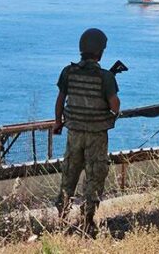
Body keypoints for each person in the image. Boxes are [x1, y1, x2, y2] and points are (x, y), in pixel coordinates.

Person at [53, 28, 120, 236]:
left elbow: (60, 99)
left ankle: (62, 218)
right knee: (94, 175)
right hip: (97, 135)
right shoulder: (106, 77)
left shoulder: (68, 72)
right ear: (100, 52)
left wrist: (58, 122)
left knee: (69, 174)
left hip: (74, 132)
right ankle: (87, 220)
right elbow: (114, 105)